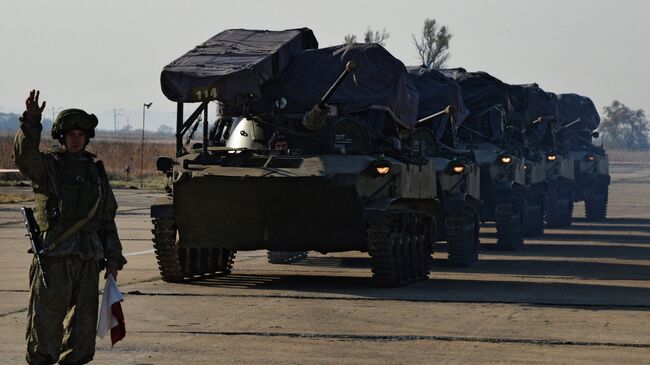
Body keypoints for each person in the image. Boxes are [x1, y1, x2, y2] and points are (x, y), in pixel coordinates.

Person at [13, 90, 127, 365]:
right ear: (62, 138)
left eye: (80, 135)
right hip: (55, 257)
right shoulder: (48, 167)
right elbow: (24, 158)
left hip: (88, 258)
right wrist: (31, 121)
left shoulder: (95, 172)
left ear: (86, 139)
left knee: (84, 327)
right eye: (71, 135)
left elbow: (106, 217)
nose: (76, 140)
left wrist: (113, 258)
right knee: (46, 323)